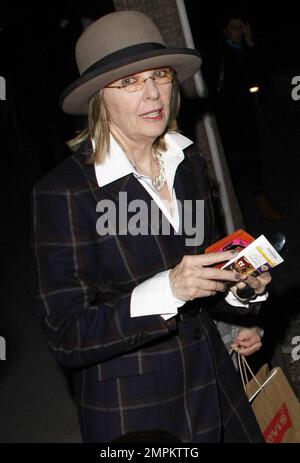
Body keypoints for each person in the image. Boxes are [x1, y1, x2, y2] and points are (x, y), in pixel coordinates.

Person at [32, 10, 271, 443]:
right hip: (137, 410)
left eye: (159, 76)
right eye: (128, 83)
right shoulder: (65, 192)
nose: (153, 94)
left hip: (214, 384)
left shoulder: (188, 161)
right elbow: (66, 335)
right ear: (97, 99)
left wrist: (239, 300)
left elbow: (205, 272)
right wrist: (166, 290)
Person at [215, 13, 286, 221]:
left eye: (240, 26)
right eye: (233, 27)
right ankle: (221, 206)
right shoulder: (224, 53)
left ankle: (261, 203)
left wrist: (251, 42)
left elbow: (261, 73)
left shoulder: (245, 49)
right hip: (230, 118)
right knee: (233, 163)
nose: (237, 31)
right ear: (225, 31)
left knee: (253, 160)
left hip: (247, 116)